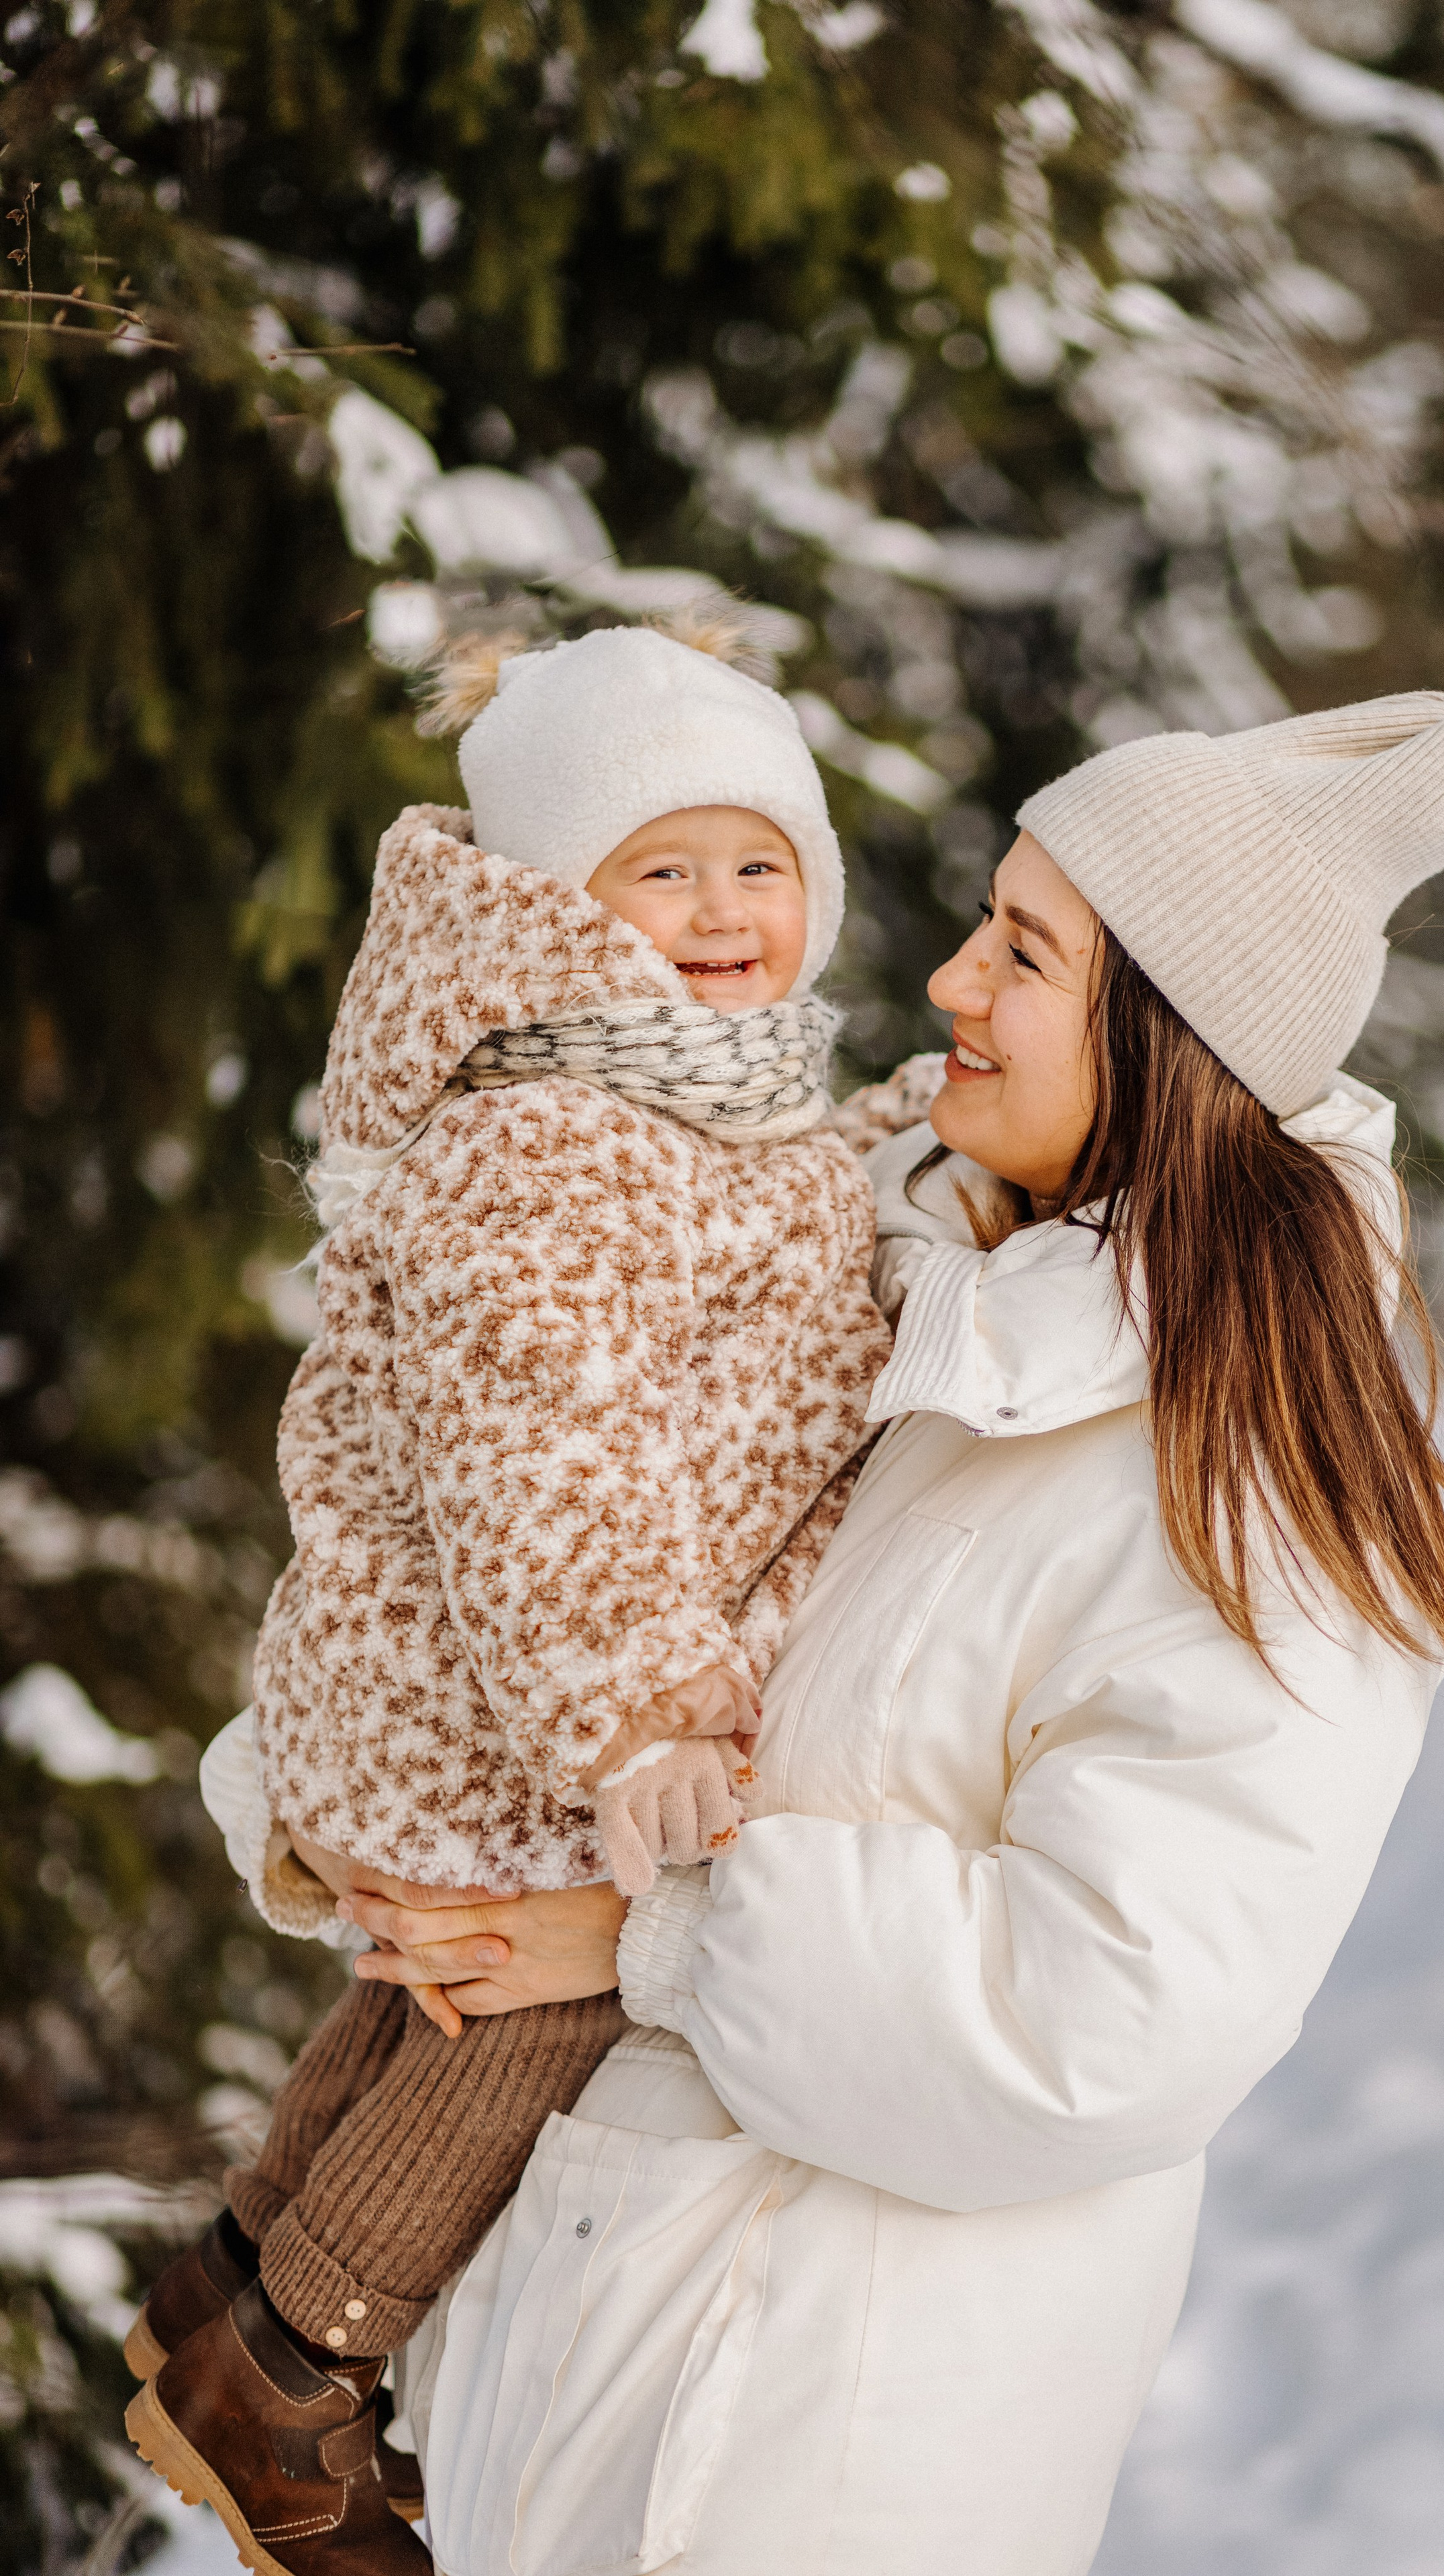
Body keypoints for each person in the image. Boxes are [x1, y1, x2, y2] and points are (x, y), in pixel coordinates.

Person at [315, 690, 1444, 2576]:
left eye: (1027, 954)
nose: (954, 976)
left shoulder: (1249, 1484)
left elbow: (1105, 2020)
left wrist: (653, 1937)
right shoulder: (918, 1291)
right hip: (596, 2359)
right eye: (984, 916)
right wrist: (355, 1781)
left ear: (1172, 1043)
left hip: (822, 2442)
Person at [125, 616, 895, 2576]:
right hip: (501, 1689)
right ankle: (297, 2368)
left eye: (759, 862)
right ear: (557, 905)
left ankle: (229, 2287)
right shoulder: (552, 1129)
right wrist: (637, 1714)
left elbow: (785, 1195)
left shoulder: (683, 1088)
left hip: (455, 1678)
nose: (721, 911)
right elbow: (544, 1441)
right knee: (526, 2004)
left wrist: (908, 1128)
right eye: (662, 869)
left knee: (424, 1995)